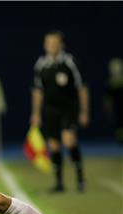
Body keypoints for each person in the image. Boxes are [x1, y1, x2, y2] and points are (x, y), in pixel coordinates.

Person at [30, 30, 89, 193]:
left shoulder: (70, 62)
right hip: (50, 111)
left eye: (54, 43)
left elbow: (82, 87)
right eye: (48, 43)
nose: (51, 46)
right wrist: (35, 113)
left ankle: (80, 177)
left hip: (68, 108)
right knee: (54, 146)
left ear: (61, 44)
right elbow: (37, 91)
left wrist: (84, 111)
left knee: (69, 140)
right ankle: (59, 183)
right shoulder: (41, 64)